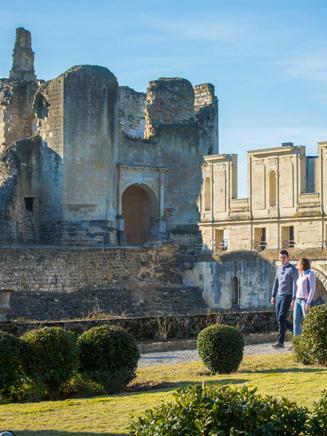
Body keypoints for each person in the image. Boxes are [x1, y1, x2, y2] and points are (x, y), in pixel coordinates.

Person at [271, 249, 298, 348]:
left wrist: (294, 298)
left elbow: (295, 285)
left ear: (288, 258)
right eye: (280, 257)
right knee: (279, 318)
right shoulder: (278, 269)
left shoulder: (292, 269)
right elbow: (276, 282)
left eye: (283, 257)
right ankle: (297, 332)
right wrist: (273, 295)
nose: (282, 259)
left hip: (288, 296)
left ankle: (280, 342)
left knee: (281, 317)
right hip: (279, 296)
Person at [292, 257, 316, 336]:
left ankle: (310, 340)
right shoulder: (301, 274)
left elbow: (312, 289)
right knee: (296, 321)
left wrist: (308, 302)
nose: (297, 265)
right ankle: (297, 343)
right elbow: (294, 267)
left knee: (308, 321)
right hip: (297, 300)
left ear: (302, 265)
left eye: (298, 263)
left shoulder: (310, 273)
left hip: (305, 301)